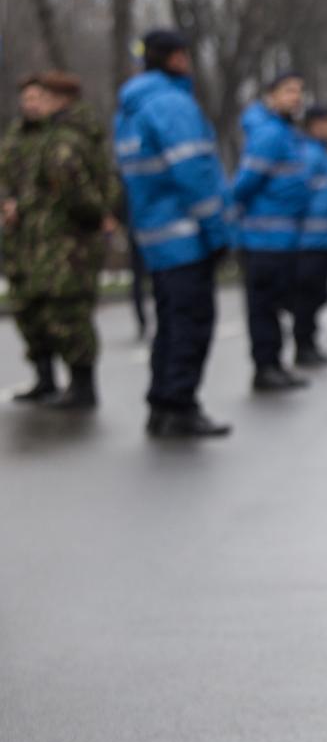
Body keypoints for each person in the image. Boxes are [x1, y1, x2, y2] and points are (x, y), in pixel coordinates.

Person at [115, 29, 232, 439]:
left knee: (169, 325)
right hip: (186, 237)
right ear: (177, 58)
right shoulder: (172, 105)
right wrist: (217, 232)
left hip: (154, 237)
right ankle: (180, 406)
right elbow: (194, 173)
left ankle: (162, 405)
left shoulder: (129, 109)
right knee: (191, 325)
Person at [0, 72, 116, 409]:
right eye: (28, 99)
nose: (33, 105)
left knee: (67, 310)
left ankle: (81, 386)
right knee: (32, 309)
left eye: (40, 98)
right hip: (29, 239)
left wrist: (98, 216)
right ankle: (46, 379)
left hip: (65, 241)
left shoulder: (68, 137)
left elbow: (83, 190)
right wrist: (9, 204)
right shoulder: (19, 136)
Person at [233, 71, 310, 390]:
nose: (296, 97)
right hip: (264, 238)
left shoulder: (284, 133)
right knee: (264, 306)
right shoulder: (269, 134)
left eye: (299, 91)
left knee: (274, 306)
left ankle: (274, 363)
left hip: (281, 238)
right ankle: (265, 367)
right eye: (289, 91)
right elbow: (246, 184)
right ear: (271, 96)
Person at [293, 105, 327, 368]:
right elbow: (298, 194)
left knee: (318, 295)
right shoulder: (308, 155)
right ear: (315, 125)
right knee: (307, 297)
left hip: (324, 239)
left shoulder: (322, 155)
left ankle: (309, 343)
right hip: (309, 241)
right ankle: (303, 346)